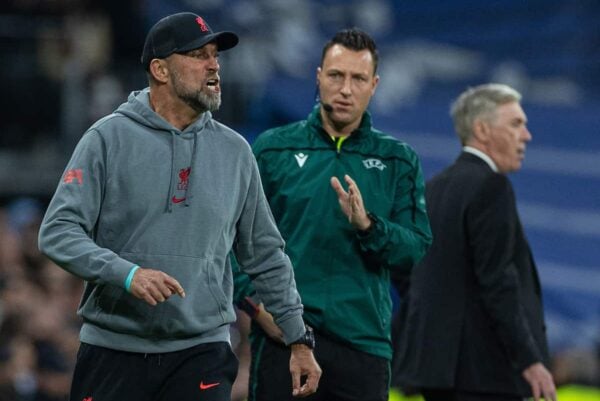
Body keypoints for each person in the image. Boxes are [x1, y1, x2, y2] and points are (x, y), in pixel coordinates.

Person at [37, 12, 321, 401]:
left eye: (215, 57)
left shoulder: (235, 152)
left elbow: (266, 253)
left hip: (201, 352)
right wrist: (127, 274)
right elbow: (58, 232)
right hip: (114, 349)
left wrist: (298, 338)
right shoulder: (107, 139)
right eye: (198, 55)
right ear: (160, 69)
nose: (214, 66)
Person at [233, 28, 432, 401]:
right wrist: (257, 308)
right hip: (284, 339)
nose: (345, 89)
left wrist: (369, 226)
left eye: (358, 79)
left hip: (362, 344)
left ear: (373, 86)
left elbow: (416, 248)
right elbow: (230, 240)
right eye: (336, 76)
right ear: (319, 77)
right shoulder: (273, 149)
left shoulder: (398, 159)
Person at [394, 83, 557, 401]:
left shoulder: (431, 189)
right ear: (482, 129)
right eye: (516, 124)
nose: (526, 136)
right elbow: (497, 281)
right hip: (484, 373)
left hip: (435, 370)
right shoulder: (491, 186)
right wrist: (530, 359)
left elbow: (405, 270)